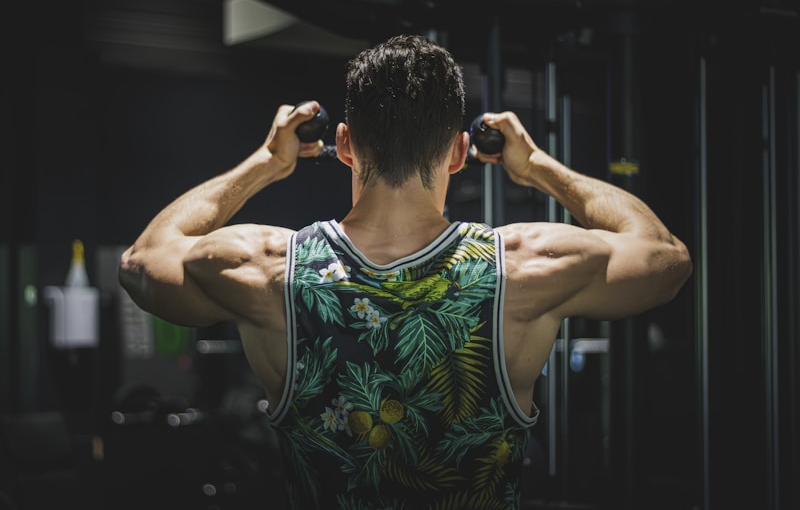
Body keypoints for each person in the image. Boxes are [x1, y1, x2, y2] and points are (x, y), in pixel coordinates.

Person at [119, 34, 692, 509]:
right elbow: (665, 259)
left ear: (343, 145)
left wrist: (265, 164)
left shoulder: (268, 267)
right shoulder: (525, 264)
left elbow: (143, 263)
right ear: (460, 152)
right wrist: (538, 167)